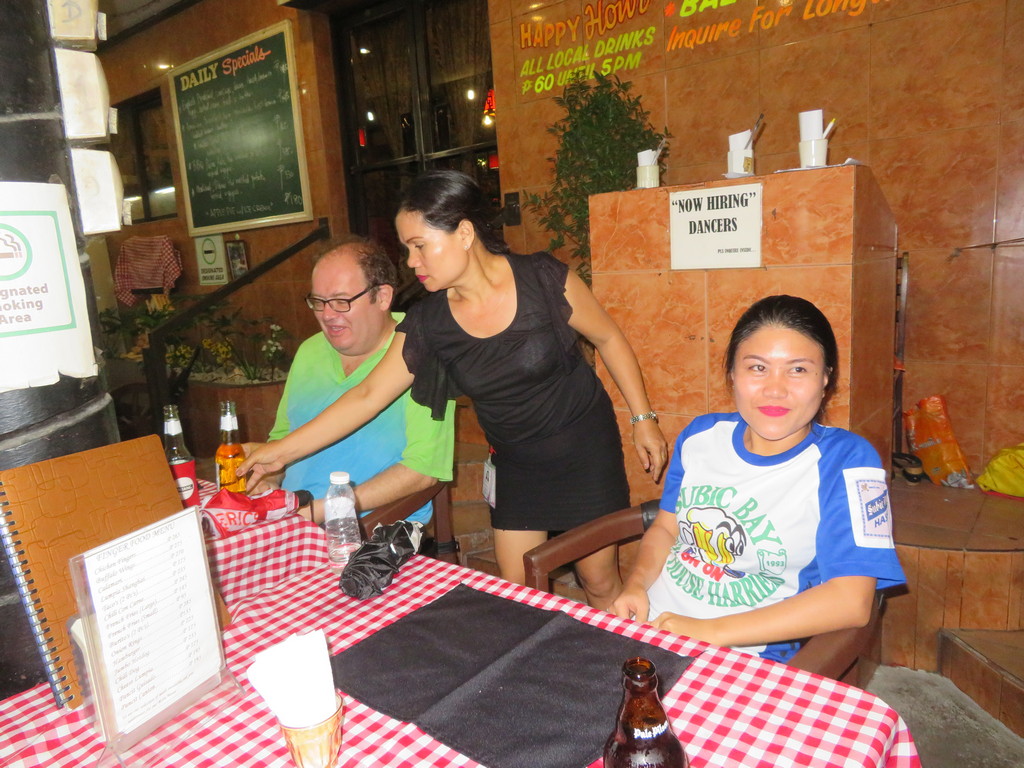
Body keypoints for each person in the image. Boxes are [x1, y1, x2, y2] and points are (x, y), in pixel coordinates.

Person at [240, 170, 667, 609]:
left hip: (583, 452)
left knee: (598, 581)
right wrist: (281, 451)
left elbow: (608, 338)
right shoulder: (431, 323)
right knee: (520, 594)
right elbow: (367, 396)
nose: (411, 262)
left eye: (419, 246)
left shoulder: (543, 279)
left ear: (464, 233)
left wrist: (643, 420)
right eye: (407, 249)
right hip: (517, 466)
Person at [610, 295, 905, 663]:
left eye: (798, 370)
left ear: (825, 379)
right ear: (732, 374)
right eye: (757, 367)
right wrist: (636, 585)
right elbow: (667, 528)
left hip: (744, 653)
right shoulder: (701, 435)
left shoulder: (848, 461)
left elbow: (851, 601)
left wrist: (707, 632)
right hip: (649, 627)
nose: (775, 389)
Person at [246, 234, 455, 526]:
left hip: (369, 527)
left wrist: (326, 510)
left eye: (341, 301)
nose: (327, 315)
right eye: (318, 302)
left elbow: (423, 470)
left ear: (382, 297)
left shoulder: (421, 349)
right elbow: (283, 437)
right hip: (290, 519)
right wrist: (267, 478)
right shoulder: (309, 351)